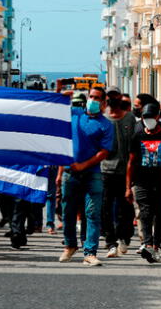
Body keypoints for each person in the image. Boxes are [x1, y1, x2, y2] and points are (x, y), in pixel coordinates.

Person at [58, 87, 114, 266]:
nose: (92, 100)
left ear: (104, 103)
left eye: (97, 98)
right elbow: (53, 109)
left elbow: (104, 152)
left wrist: (84, 164)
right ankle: (70, 245)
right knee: (68, 211)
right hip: (70, 172)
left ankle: (90, 252)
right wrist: (60, 94)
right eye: (91, 96)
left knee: (92, 213)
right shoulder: (75, 113)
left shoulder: (106, 125)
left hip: (92, 174)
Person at [126, 104, 161, 263]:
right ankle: (148, 244)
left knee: (159, 215)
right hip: (141, 182)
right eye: (145, 118)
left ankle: (156, 246)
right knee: (145, 213)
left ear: (158, 117)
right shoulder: (137, 137)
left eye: (151, 117)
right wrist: (128, 187)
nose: (148, 121)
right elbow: (131, 163)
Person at [101, 86, 136, 258]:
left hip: (126, 171)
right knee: (105, 208)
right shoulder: (103, 119)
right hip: (106, 170)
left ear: (120, 97)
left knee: (126, 208)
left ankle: (125, 237)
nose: (112, 99)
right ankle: (110, 242)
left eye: (115, 96)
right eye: (109, 96)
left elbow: (135, 145)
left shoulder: (130, 118)